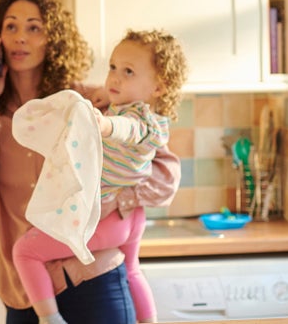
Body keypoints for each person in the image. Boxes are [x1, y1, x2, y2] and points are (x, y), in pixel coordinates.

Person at [0, 0, 181, 324]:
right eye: (10, 27)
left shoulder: (87, 104)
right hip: (26, 291)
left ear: (53, 40)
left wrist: (116, 198)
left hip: (94, 277)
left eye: (34, 28)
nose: (21, 38)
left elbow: (165, 176)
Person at [11, 28, 189, 324]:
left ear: (160, 86)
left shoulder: (140, 122)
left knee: (24, 251)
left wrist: (105, 125)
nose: (115, 78)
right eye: (113, 68)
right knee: (132, 270)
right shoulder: (147, 115)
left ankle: (49, 318)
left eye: (129, 71)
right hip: (129, 218)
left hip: (109, 219)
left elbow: (128, 129)